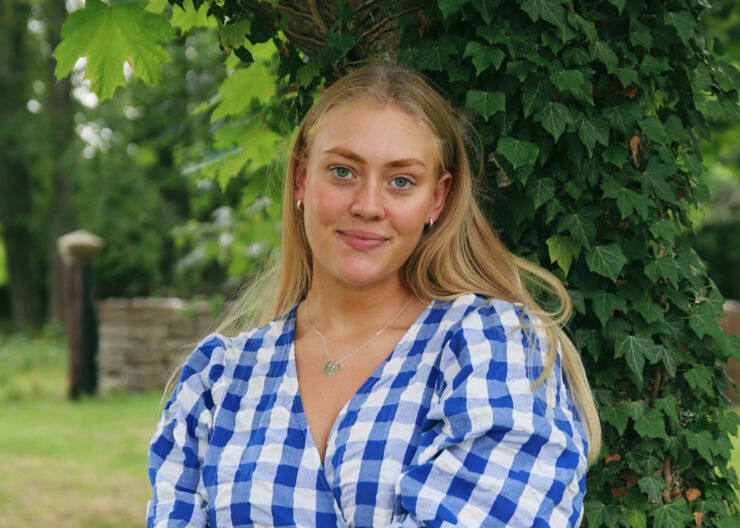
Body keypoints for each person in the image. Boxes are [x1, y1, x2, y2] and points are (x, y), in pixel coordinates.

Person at [146, 64, 601, 527]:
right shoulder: (219, 379)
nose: (367, 205)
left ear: (437, 200)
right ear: (302, 178)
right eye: (343, 171)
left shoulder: (492, 346)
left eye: (401, 181)